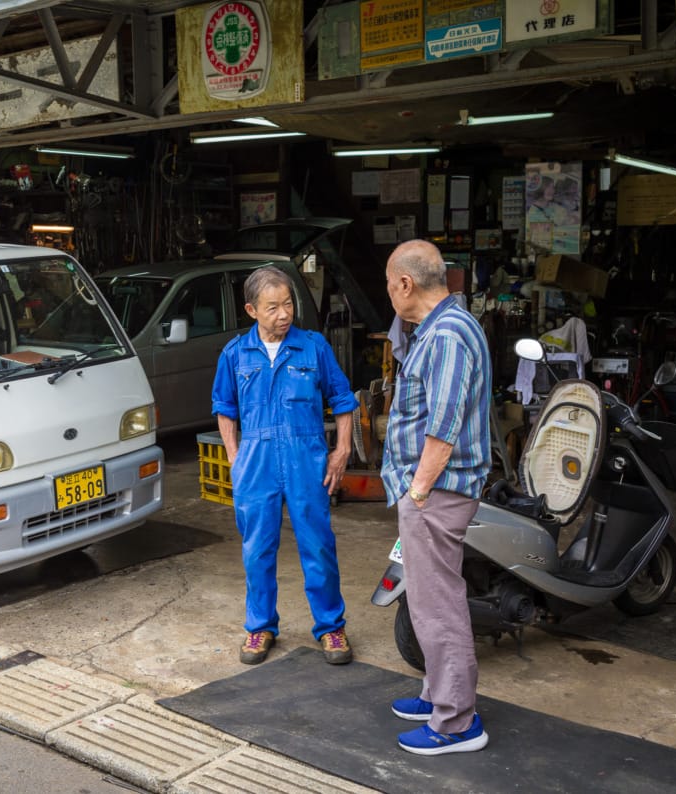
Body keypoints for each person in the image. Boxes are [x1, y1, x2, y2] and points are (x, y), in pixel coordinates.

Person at [211, 266, 357, 666]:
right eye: (273, 307)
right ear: (251, 310)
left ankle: (331, 627)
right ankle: (260, 628)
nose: (284, 313)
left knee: (318, 546)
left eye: (288, 303)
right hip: (255, 462)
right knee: (257, 550)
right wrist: (234, 458)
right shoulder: (235, 354)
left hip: (305, 459)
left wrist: (341, 450)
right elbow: (224, 408)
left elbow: (343, 400)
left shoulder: (313, 347)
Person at [380, 239, 492, 756]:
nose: (388, 295)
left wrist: (417, 491)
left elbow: (443, 428)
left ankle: (456, 723)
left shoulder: (447, 334)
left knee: (437, 605)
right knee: (428, 600)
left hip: (437, 491)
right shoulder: (440, 325)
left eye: (389, 284)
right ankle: (437, 694)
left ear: (405, 284)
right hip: (433, 491)